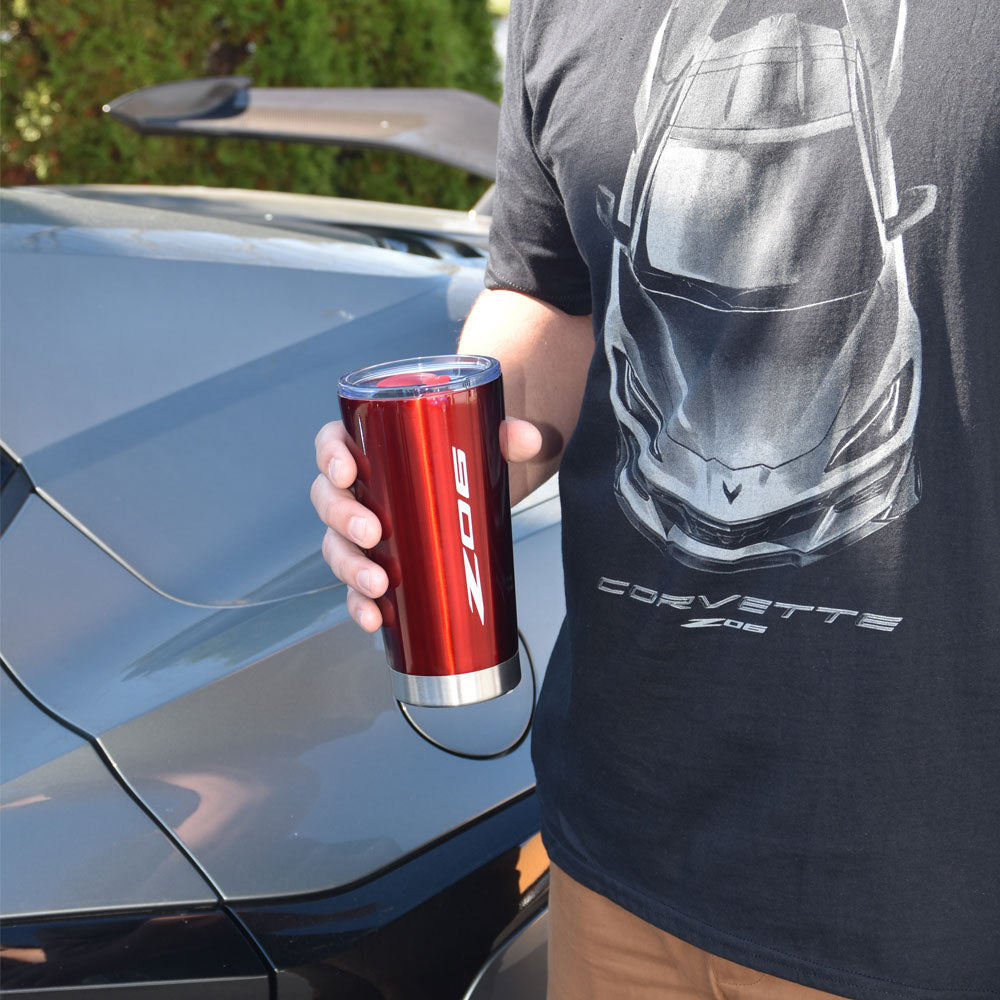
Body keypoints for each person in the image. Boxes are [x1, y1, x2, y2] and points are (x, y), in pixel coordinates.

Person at [313, 1, 1000, 996]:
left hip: (927, 906)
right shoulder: (567, 12)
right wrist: (434, 471)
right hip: (612, 862)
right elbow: (549, 291)